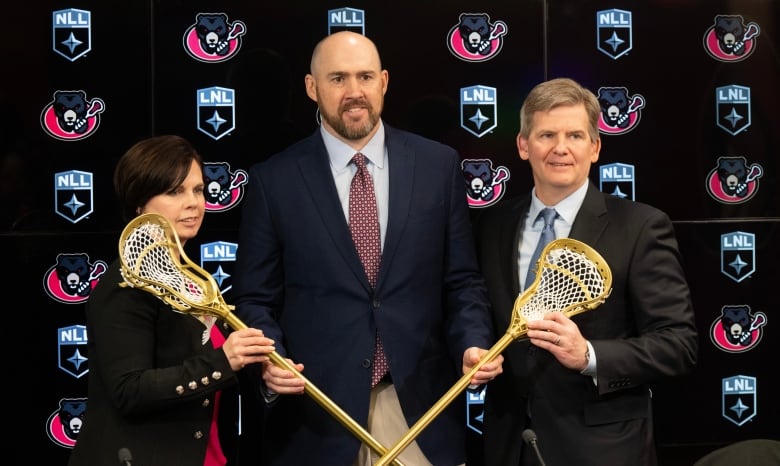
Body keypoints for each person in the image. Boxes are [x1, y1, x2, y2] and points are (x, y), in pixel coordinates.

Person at [232, 31, 503, 466]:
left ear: (385, 82)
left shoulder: (438, 165)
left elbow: (462, 281)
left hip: (419, 410)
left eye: (365, 76)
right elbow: (255, 298)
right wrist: (272, 360)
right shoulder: (273, 180)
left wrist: (472, 342)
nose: (354, 92)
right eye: (337, 78)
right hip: (316, 415)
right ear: (311, 87)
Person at [473, 78, 698, 466]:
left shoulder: (640, 226)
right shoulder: (491, 224)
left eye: (575, 135)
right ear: (523, 146)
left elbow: (679, 344)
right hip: (507, 445)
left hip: (603, 449)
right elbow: (474, 306)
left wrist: (589, 355)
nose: (561, 148)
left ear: (595, 147)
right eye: (546, 135)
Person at [68, 135, 276, 466]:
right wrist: (224, 361)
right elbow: (129, 390)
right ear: (140, 203)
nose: (194, 203)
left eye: (198, 190)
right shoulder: (124, 284)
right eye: (175, 191)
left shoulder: (192, 281)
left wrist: (267, 374)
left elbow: (214, 375)